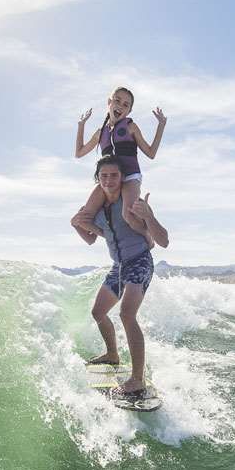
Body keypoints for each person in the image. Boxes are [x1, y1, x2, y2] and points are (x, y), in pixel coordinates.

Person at [71, 156, 169, 397]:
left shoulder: (132, 204)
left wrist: (149, 216)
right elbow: (92, 238)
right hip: (119, 266)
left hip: (140, 261)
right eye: (104, 176)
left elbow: (164, 241)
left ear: (122, 177)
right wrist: (77, 225)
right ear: (98, 179)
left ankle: (138, 379)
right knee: (98, 312)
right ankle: (113, 354)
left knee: (127, 314)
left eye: (114, 175)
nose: (109, 180)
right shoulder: (99, 208)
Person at [74, 86, 167, 241]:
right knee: (83, 218)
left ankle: (147, 236)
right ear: (109, 102)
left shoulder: (130, 127)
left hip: (130, 177)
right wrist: (81, 125)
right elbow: (79, 153)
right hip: (109, 180)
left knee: (127, 215)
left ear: (129, 111)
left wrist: (161, 125)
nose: (120, 105)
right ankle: (105, 236)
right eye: (117, 100)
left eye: (126, 104)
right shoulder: (100, 133)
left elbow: (151, 153)